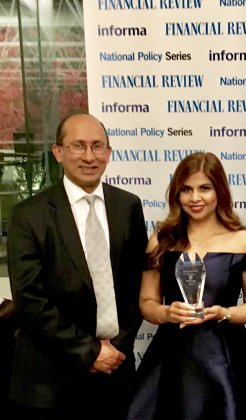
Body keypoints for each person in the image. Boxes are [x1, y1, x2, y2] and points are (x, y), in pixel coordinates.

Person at [7, 114, 148, 420]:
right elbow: (30, 298)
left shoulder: (129, 206)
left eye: (97, 146)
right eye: (78, 146)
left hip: (116, 373)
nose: (89, 156)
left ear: (109, 153)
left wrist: (115, 349)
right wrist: (90, 352)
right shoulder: (28, 215)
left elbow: (140, 283)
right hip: (51, 383)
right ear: (59, 152)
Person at [126, 152, 246, 420]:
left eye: (204, 188)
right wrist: (167, 313)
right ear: (177, 194)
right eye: (186, 189)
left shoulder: (244, 240)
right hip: (171, 360)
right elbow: (147, 302)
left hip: (226, 360)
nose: (195, 198)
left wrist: (224, 314)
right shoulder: (161, 239)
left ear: (219, 191)